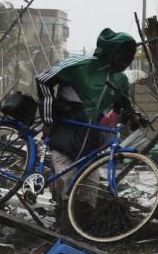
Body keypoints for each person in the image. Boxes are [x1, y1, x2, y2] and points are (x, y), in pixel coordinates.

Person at [35, 28, 138, 184]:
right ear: (111, 52)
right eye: (122, 55)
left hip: (92, 139)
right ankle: (58, 202)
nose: (126, 60)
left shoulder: (120, 80)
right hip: (66, 131)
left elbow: (124, 103)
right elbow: (43, 79)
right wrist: (48, 117)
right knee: (65, 183)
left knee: (89, 189)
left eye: (129, 56)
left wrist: (133, 116)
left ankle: (75, 206)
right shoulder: (80, 65)